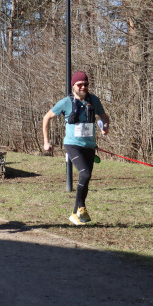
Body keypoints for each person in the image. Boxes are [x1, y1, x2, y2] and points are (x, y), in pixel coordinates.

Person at [42, 70, 110, 226]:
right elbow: (47, 118)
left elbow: (104, 117)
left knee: (85, 180)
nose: (83, 87)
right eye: (80, 84)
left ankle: (74, 214)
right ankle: (81, 207)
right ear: (74, 85)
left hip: (89, 145)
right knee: (84, 174)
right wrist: (46, 141)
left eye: (86, 84)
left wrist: (105, 127)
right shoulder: (66, 102)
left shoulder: (94, 100)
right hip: (72, 145)